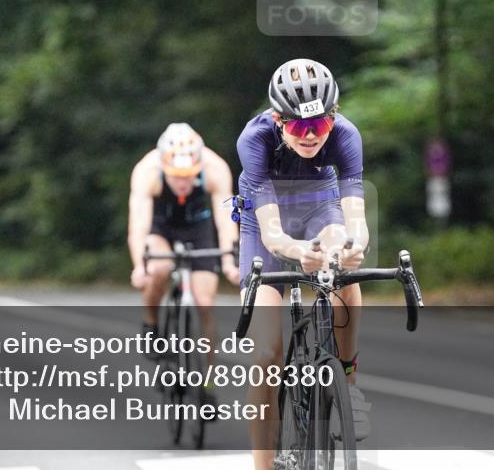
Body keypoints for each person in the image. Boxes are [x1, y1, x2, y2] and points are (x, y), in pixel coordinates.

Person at [236, 59, 369, 469]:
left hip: (318, 208)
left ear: (334, 116)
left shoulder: (346, 135)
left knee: (344, 266)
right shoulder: (254, 139)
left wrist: (353, 248)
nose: (310, 136)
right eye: (297, 126)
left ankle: (347, 381)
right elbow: (273, 234)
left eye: (320, 125)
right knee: (265, 357)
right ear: (278, 120)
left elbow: (355, 220)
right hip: (265, 224)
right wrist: (296, 251)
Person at [127, 123, 240, 374]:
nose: (182, 181)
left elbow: (225, 221)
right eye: (175, 175)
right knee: (159, 268)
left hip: (198, 226)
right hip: (161, 225)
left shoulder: (215, 168)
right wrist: (139, 266)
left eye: (189, 174)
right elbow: (139, 226)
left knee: (204, 301)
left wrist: (229, 262)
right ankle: (151, 322)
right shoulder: (147, 170)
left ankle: (208, 380)